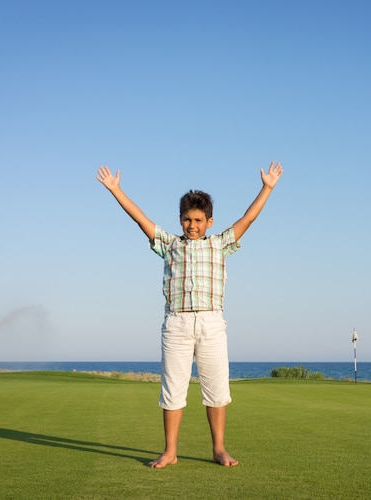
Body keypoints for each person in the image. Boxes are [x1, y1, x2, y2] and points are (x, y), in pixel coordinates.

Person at [96, 161, 284, 468]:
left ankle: (219, 449)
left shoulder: (219, 244)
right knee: (173, 390)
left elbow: (248, 218)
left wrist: (267, 187)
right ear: (180, 220)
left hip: (211, 322)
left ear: (209, 221)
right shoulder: (170, 245)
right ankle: (170, 451)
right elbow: (140, 218)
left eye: (198, 219)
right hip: (177, 324)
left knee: (216, 389)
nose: (192, 225)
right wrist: (116, 189)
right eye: (187, 219)